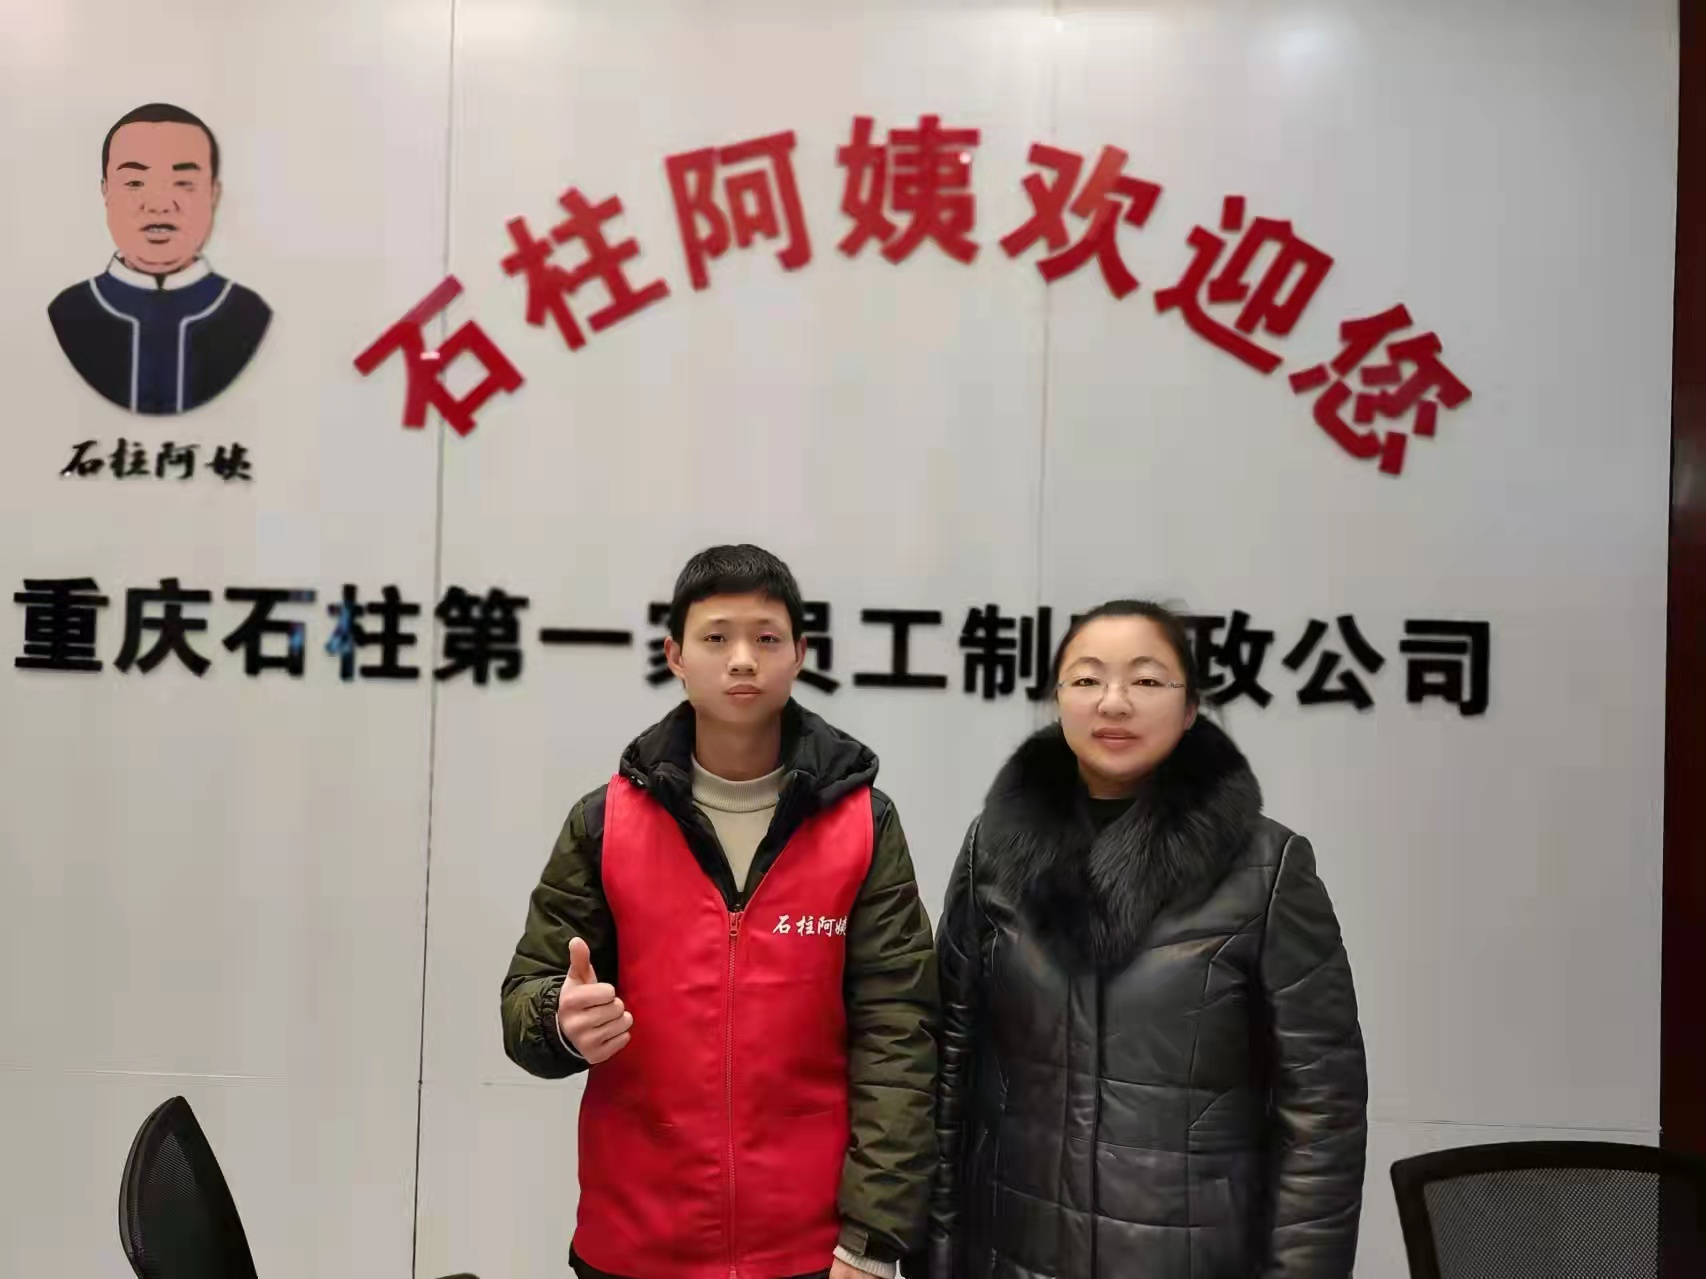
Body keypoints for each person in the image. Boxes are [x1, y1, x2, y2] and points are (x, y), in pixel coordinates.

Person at [502, 544, 939, 1279]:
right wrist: (559, 1021)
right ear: (674, 655)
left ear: (800, 654)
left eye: (766, 637)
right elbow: (526, 997)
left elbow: (899, 1031)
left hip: (811, 1250)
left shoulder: (861, 823)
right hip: (636, 1240)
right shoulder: (606, 821)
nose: (742, 660)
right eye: (716, 637)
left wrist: (871, 1238)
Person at [929, 600, 1368, 1279]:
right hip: (1010, 1254)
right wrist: (934, 1252)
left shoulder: (1267, 869)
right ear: (1058, 698)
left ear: (1190, 707)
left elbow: (1322, 1112)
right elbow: (947, 1063)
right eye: (1087, 678)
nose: (1114, 701)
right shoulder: (994, 849)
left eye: (1146, 679)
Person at [48, 103, 271, 416]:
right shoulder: (69, 311)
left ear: (213, 194)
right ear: (105, 192)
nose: (159, 204)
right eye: (135, 182)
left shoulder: (248, 311)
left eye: (183, 182)